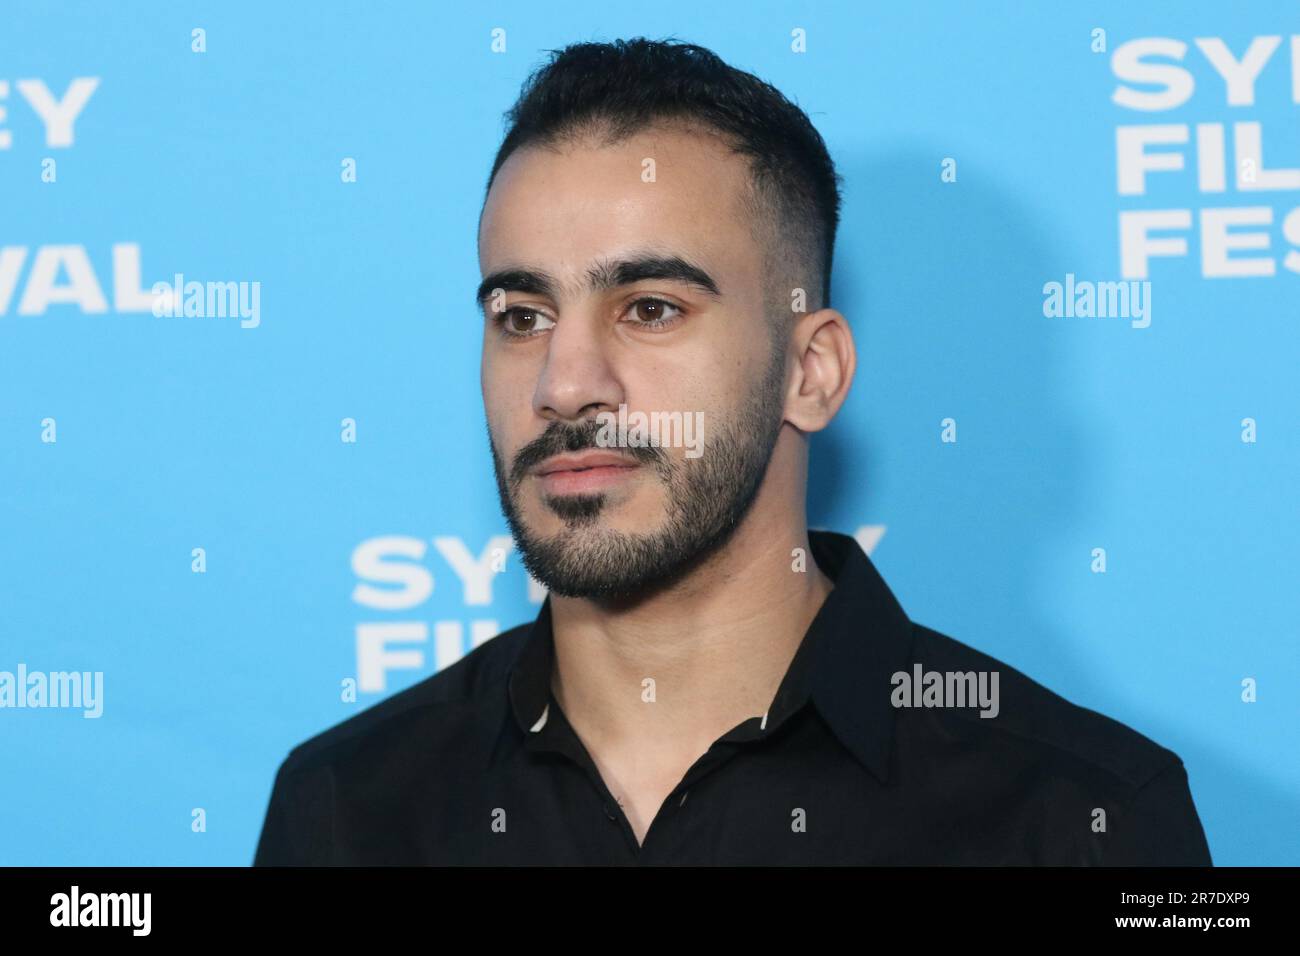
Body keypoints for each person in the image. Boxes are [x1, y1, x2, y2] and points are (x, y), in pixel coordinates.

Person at [254, 38, 1212, 865]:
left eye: (651, 308)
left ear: (811, 372)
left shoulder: (1078, 819)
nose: (564, 380)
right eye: (521, 314)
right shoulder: (349, 807)